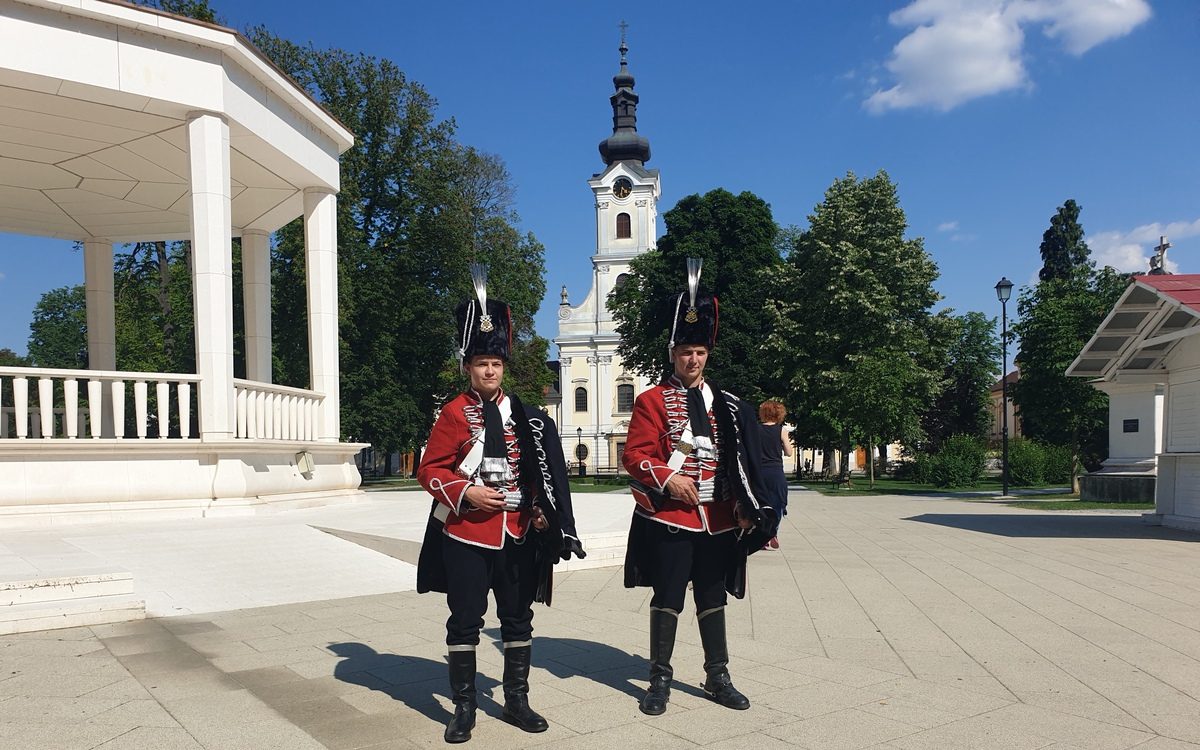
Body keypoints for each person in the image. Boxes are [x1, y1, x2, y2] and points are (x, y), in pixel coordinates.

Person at [416, 264, 585, 744]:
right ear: (468, 367)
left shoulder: (527, 418)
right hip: (467, 535)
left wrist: (537, 508)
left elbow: (540, 477)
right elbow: (429, 470)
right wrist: (465, 492)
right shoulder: (454, 412)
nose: (489, 371)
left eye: (496, 364)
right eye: (480, 364)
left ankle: (516, 700)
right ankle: (465, 707)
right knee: (465, 621)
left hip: (515, 536)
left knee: (517, 619)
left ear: (504, 367)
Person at [622, 258, 777, 717]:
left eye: (701, 352)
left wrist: (751, 508)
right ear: (673, 353)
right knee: (667, 597)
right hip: (671, 519)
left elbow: (748, 461)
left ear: (708, 355)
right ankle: (659, 679)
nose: (693, 359)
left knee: (712, 598)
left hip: (719, 522)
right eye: (686, 351)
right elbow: (635, 455)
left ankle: (717, 674)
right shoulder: (651, 400)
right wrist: (669, 478)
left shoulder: (729, 405)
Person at [758, 400, 794, 549]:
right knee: (778, 503)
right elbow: (789, 452)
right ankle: (773, 532)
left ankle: (762, 535)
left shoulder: (754, 429)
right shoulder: (781, 431)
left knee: (760, 503)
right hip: (775, 472)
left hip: (759, 472)